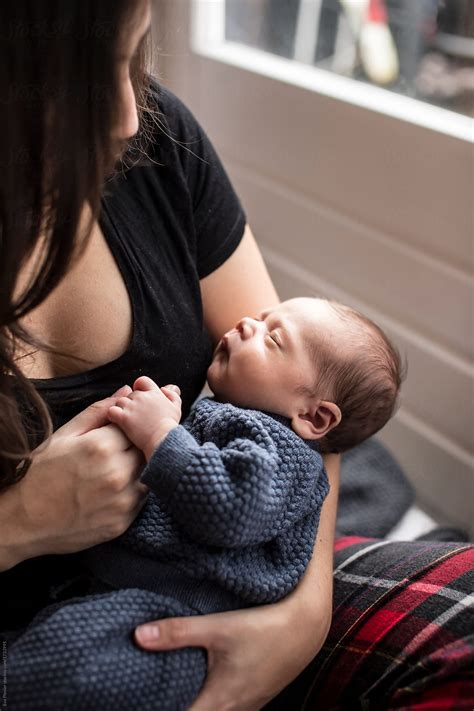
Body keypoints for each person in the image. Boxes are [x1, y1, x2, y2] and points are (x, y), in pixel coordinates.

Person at [0, 2, 472, 710]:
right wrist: (21, 521)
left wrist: (298, 624)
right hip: (73, 634)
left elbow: (304, 426)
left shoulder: (158, 143)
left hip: (224, 598)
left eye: (132, 60)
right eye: (81, 83)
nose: (129, 116)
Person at [8, 296, 404, 710]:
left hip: (174, 619)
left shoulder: (285, 453)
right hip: (120, 595)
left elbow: (234, 510)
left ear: (315, 418)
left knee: (69, 671)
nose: (247, 323)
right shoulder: (238, 419)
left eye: (273, 339)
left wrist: (161, 433)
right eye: (260, 317)